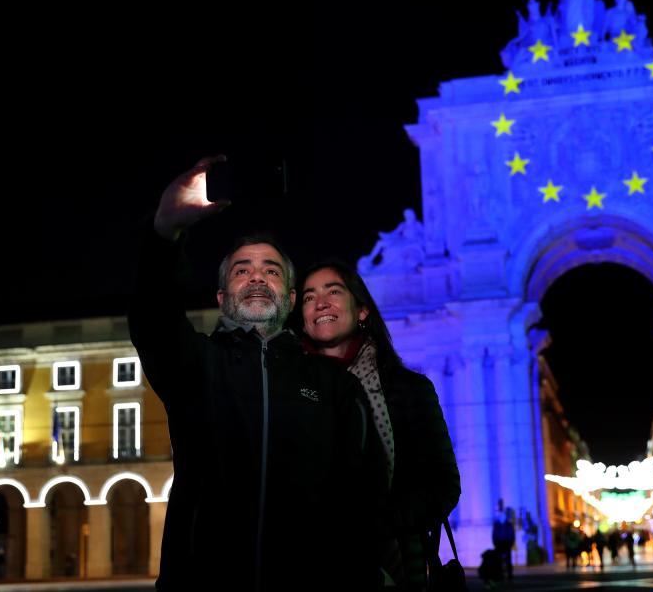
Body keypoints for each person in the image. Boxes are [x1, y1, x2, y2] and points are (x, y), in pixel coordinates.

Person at [128, 156, 386, 590]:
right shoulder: (194, 364)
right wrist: (163, 232)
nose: (256, 277)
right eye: (242, 270)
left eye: (270, 270)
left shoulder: (335, 386)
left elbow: (364, 499)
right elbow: (153, 317)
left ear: (288, 297)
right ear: (221, 295)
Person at [297, 258, 461, 590]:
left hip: (394, 565)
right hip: (304, 566)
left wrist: (379, 523)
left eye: (334, 291)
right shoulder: (287, 389)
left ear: (362, 311)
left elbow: (444, 485)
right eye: (309, 296)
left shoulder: (410, 389)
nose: (321, 302)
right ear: (303, 318)